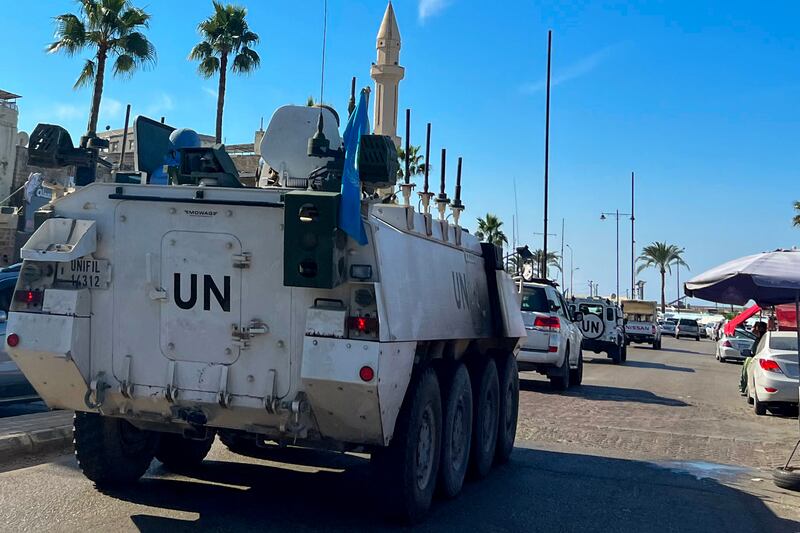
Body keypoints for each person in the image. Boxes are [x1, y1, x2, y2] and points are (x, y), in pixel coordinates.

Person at [740, 321, 767, 395]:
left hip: (756, 359)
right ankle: (745, 387)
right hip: (755, 358)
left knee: (748, 368)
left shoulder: (763, 338)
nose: (753, 329)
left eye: (755, 327)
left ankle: (745, 387)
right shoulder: (759, 338)